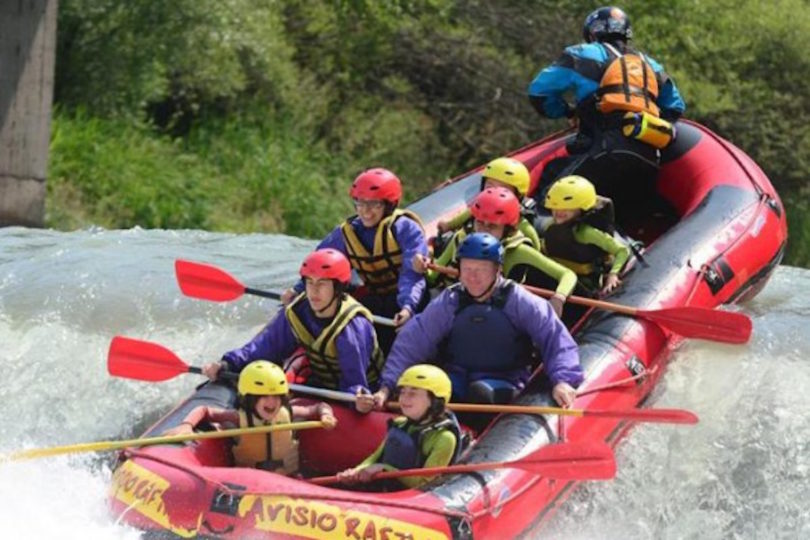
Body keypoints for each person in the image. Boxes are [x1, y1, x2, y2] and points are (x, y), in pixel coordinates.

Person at [360, 233, 583, 412]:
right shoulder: (450, 301)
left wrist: (562, 380)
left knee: (481, 392)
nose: (472, 277)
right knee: (423, 393)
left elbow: (555, 339)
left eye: (481, 270)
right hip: (456, 377)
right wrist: (387, 387)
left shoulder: (519, 300)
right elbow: (413, 342)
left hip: (505, 380)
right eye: (467, 269)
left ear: (498, 270)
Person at [527, 6, 685, 215]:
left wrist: (567, 111)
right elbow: (675, 107)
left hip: (605, 151)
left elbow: (539, 93)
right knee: (614, 213)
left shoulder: (583, 53)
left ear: (592, 33)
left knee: (550, 194)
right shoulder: (652, 65)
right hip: (647, 159)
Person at [202, 249, 384, 413]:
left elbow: (353, 382)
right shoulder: (297, 312)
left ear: (338, 288)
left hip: (358, 387)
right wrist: (227, 363)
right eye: (309, 283)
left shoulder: (352, 328)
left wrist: (357, 401)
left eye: (322, 283)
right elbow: (265, 348)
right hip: (319, 381)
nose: (314, 291)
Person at [281, 168, 428, 354]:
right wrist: (297, 290)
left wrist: (408, 307)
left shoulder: (406, 229)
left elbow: (412, 276)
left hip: (408, 301)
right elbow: (319, 266)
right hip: (375, 298)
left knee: (401, 336)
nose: (365, 211)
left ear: (389, 205)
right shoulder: (346, 233)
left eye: (374, 204)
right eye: (360, 202)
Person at [414, 187, 577, 317]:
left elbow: (567, 275)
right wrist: (422, 266)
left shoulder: (518, 251)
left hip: (501, 315)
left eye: (492, 226)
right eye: (480, 223)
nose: (483, 231)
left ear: (507, 229)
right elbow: (432, 276)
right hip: (460, 309)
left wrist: (559, 298)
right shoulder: (461, 238)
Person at [164, 361, 337, 473]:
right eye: (264, 396)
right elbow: (205, 411)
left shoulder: (289, 413)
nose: (272, 402)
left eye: (277, 396)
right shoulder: (239, 418)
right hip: (250, 486)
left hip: (288, 480)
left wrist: (326, 414)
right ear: (250, 398)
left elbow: (318, 407)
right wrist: (186, 425)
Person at [336, 364, 461, 489]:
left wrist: (385, 469)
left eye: (413, 393)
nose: (404, 399)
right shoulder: (400, 423)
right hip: (385, 490)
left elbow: (424, 483)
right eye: (403, 392)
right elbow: (376, 457)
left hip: (411, 501)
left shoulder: (444, 438)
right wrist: (356, 471)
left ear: (434, 401)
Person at [541, 175, 631, 297]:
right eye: (555, 207)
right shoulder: (551, 225)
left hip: (587, 282)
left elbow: (622, 251)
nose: (559, 212)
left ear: (581, 208)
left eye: (567, 208)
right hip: (561, 276)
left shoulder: (586, 233)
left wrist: (613, 274)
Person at [436, 157, 542, 250]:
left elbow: (534, 244)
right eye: (489, 187)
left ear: (518, 196)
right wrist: (448, 225)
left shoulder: (520, 222)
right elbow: (468, 214)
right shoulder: (476, 212)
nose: (494, 193)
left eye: (504, 189)